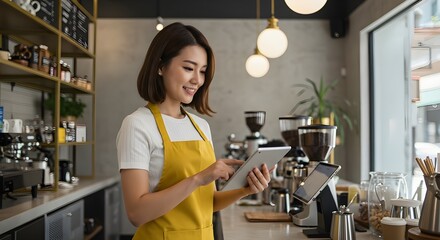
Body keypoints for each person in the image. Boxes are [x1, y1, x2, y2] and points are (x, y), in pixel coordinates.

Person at [116, 22, 271, 240]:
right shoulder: (137, 125)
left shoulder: (200, 126)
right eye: (188, 68)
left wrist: (246, 189)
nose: (197, 80)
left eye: (203, 71)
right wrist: (199, 178)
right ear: (160, 66)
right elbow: (136, 213)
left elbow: (207, 202)